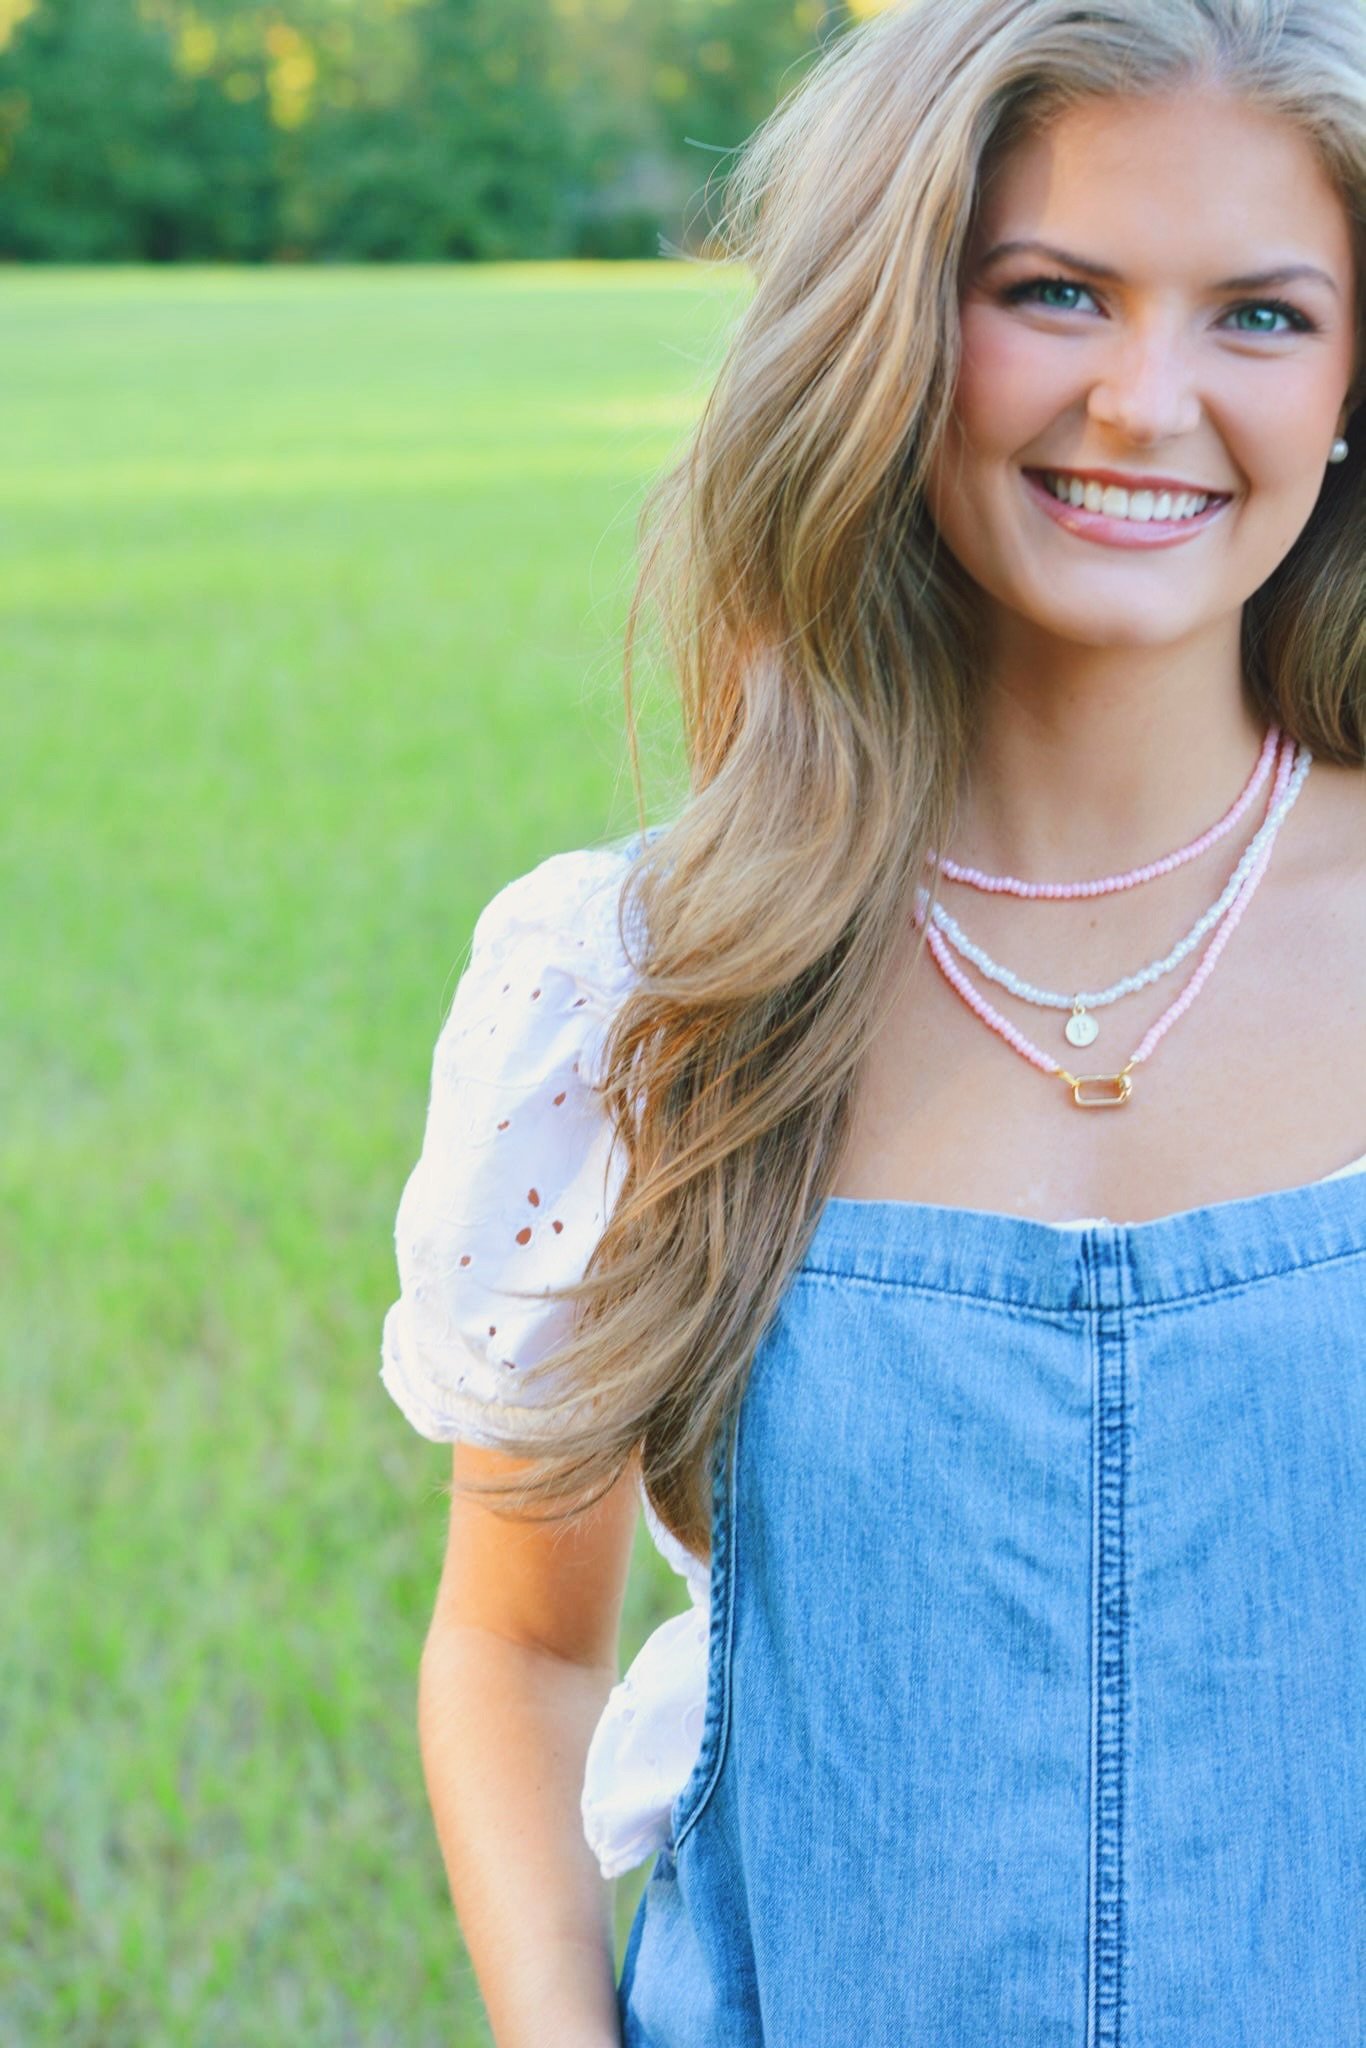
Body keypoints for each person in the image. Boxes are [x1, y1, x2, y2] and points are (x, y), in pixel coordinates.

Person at [380, 0, 1366, 2040]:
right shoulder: (633, 985)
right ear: (893, 329)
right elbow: (516, 1649)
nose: (1143, 398)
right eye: (1053, 292)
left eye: (1258, 316)